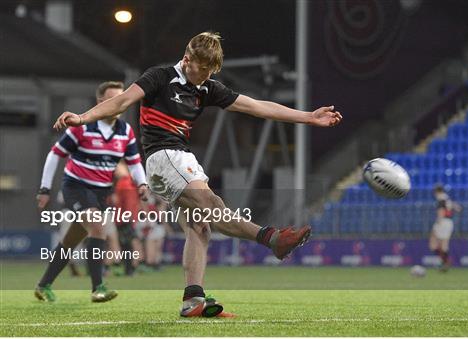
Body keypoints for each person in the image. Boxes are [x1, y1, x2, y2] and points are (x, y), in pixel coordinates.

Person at [53, 32, 343, 317]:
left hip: (178, 158)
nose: (205, 75)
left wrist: (307, 117)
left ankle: (193, 298)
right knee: (211, 205)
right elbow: (120, 102)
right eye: (201, 68)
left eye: (211, 70)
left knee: (199, 226)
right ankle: (272, 239)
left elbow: (256, 107)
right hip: (163, 155)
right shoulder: (160, 77)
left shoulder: (207, 88)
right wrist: (82, 118)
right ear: (187, 59)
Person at [36, 81, 149, 302]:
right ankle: (98, 287)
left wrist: (142, 183)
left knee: (70, 240)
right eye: (113, 99)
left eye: (121, 99)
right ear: (101, 102)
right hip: (76, 187)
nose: (119, 104)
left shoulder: (125, 131)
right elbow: (55, 154)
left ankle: (43, 285)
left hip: (101, 192)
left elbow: (134, 162)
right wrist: (45, 188)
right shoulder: (83, 126)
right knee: (98, 226)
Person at [429, 184, 461, 272]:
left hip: (442, 222)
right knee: (444, 244)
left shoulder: (440, 199)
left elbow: (441, 212)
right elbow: (458, 208)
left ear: (436, 191)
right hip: (449, 222)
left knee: (433, 244)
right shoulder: (447, 198)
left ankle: (445, 262)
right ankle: (445, 263)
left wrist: (438, 223)